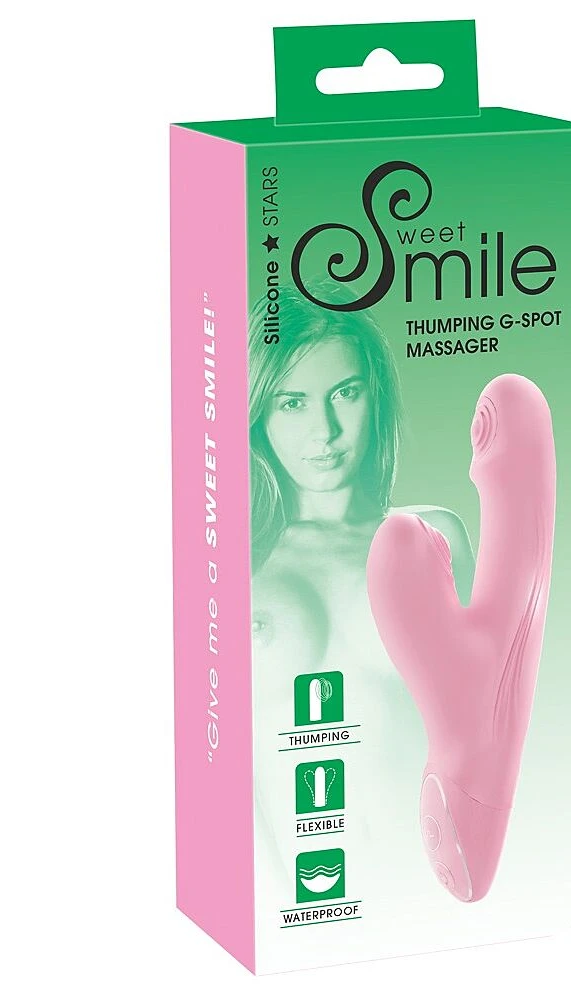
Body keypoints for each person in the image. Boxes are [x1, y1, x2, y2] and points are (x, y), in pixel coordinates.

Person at [248, 284, 474, 900]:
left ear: (377, 395)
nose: (323, 430)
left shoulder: (434, 537)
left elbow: (486, 729)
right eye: (292, 402)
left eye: (345, 393)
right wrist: (271, 908)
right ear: (260, 411)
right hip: (294, 898)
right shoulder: (238, 562)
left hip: (439, 887)